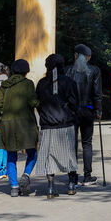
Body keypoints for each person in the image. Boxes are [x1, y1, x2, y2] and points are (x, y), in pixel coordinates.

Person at [35, 54, 80, 198]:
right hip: (65, 123)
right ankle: (72, 184)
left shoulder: (41, 83)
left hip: (47, 124)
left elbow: (39, 104)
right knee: (69, 154)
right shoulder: (69, 82)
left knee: (49, 156)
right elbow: (75, 103)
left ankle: (50, 187)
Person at [0, 59, 39, 197]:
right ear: (26, 71)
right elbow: (33, 102)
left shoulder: (4, 85)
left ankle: (14, 187)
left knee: (11, 156)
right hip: (25, 124)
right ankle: (25, 175)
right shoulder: (28, 84)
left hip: (7, 125)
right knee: (32, 152)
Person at [65, 44, 102, 184]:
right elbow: (97, 93)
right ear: (88, 58)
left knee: (72, 144)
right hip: (87, 110)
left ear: (75, 56)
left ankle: (72, 176)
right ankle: (87, 176)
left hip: (72, 111)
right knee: (87, 143)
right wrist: (98, 110)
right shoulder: (94, 70)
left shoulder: (67, 71)